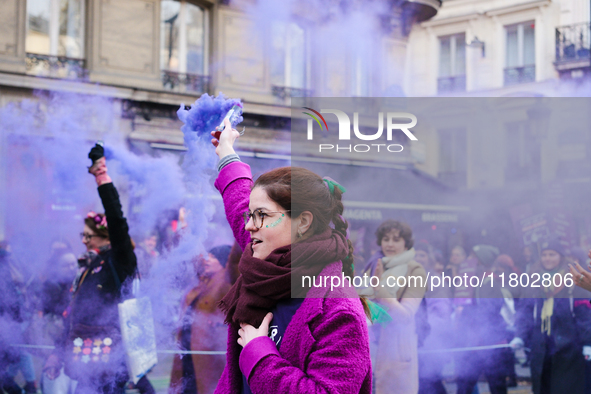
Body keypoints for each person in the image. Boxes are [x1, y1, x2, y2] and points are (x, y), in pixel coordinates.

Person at [209, 119, 372, 394]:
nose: (249, 225)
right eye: (251, 215)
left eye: (261, 215)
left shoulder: (339, 308)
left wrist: (259, 355)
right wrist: (227, 151)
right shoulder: (263, 261)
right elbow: (237, 201)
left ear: (303, 222)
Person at [44, 144, 138, 394]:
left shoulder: (120, 259)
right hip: (84, 358)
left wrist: (101, 177)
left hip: (110, 360)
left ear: (107, 237)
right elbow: (73, 314)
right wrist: (57, 355)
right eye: (83, 235)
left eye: (89, 235)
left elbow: (117, 220)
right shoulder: (89, 265)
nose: (84, 240)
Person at [512, 239, 591, 394]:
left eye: (552, 254)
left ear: (560, 256)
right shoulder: (533, 280)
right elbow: (526, 311)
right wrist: (520, 336)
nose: (547, 258)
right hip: (541, 348)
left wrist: (588, 342)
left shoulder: (573, 281)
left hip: (569, 349)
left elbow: (584, 314)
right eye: (544, 255)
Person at [362, 220, 427, 394]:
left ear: (406, 243)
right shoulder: (374, 266)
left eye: (396, 239)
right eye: (386, 239)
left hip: (396, 350)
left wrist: (379, 289)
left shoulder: (415, 271)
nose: (390, 244)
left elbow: (405, 316)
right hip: (367, 347)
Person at [169, 244, 241, 394]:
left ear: (223, 261)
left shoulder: (225, 282)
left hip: (210, 355)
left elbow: (234, 263)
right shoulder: (201, 282)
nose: (207, 259)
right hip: (189, 352)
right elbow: (190, 256)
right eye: (208, 255)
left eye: (213, 257)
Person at [453, 245, 507, 394]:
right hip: (471, 342)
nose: (468, 261)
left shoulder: (491, 282)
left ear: (481, 263)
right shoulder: (469, 282)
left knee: (496, 384)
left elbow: (492, 309)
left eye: (473, 258)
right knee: (464, 383)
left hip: (490, 341)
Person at [415, 241, 452, 394]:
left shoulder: (434, 279)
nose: (418, 258)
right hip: (416, 339)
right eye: (415, 255)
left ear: (429, 258)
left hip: (431, 341)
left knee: (431, 381)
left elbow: (442, 312)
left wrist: (424, 327)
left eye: (422, 255)